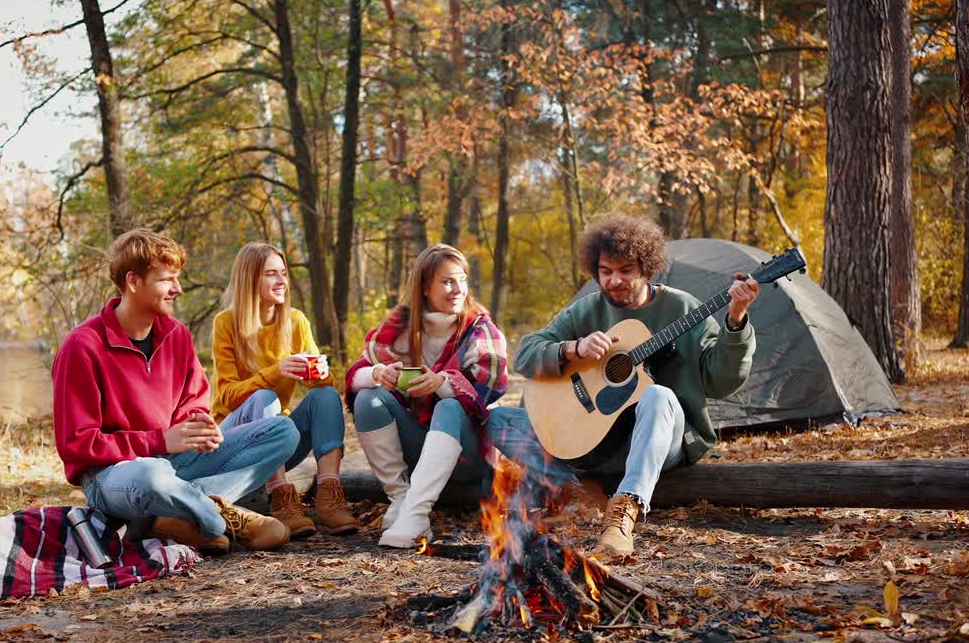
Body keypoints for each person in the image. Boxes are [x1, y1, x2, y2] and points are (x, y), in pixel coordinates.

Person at [489, 216, 759, 558]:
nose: (614, 280)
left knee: (657, 395)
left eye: (626, 270)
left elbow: (723, 381)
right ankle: (577, 492)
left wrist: (735, 321)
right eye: (605, 271)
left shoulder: (683, 308)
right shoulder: (587, 310)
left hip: (658, 438)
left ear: (646, 268)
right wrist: (573, 348)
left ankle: (622, 514)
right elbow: (526, 354)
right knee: (495, 421)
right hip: (591, 443)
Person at [52, 229, 298, 555]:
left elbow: (193, 398)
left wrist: (196, 425)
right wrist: (159, 440)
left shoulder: (176, 335)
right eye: (167, 279)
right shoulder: (82, 346)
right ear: (134, 282)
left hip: (174, 461)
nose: (177, 289)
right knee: (152, 473)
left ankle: (169, 516)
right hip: (112, 475)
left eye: (177, 279)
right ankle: (215, 517)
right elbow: (77, 445)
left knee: (283, 431)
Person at [347, 243, 508, 548]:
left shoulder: (479, 328)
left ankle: (416, 515)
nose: (457, 289)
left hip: (469, 453)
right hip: (420, 446)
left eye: (461, 279)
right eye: (447, 281)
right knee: (369, 397)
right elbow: (357, 371)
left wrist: (443, 383)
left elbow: (492, 386)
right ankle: (401, 499)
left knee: (449, 404)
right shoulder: (401, 326)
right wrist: (378, 373)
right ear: (424, 287)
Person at [211, 242, 360, 538]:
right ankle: (281, 497)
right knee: (265, 397)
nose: (281, 281)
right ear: (250, 279)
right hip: (235, 442)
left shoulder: (296, 321)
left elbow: (324, 389)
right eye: (270, 274)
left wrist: (320, 374)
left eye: (283, 273)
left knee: (326, 396)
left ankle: (329, 496)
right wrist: (274, 372)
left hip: (279, 440)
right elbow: (226, 396)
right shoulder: (226, 323)